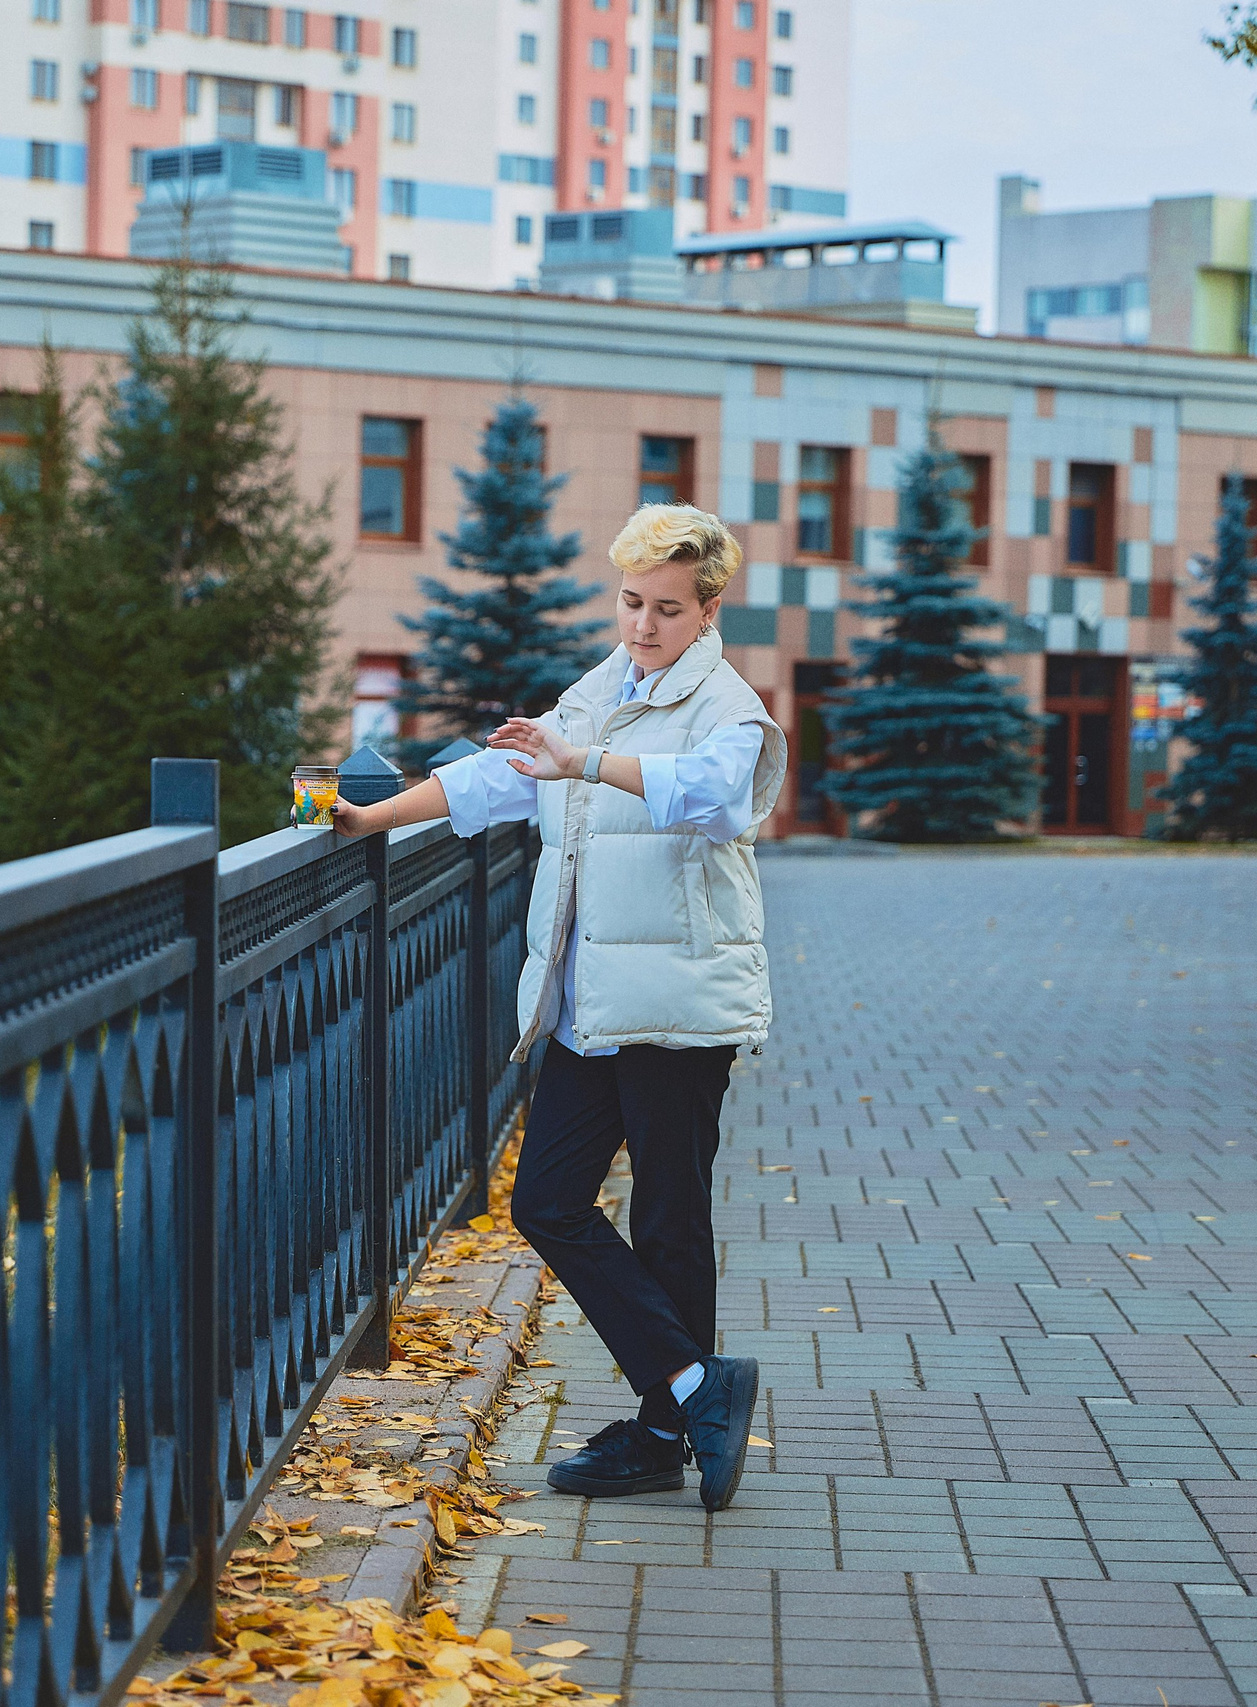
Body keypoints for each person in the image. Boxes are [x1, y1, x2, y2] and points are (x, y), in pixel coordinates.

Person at [333, 503, 785, 1512]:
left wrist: (582, 762)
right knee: (544, 1200)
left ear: (707, 610)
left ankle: (665, 1432)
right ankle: (694, 1386)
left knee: (671, 1218)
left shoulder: (726, 708)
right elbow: (501, 777)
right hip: (586, 1006)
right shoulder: (604, 689)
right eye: (630, 603)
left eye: (666, 609)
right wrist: (375, 816)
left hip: (676, 1005)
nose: (642, 625)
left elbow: (716, 799)